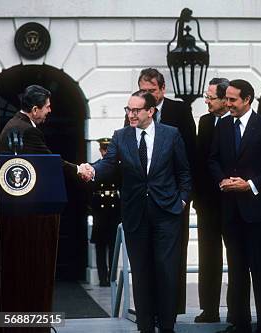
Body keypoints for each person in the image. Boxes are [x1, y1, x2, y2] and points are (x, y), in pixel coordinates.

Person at [80, 90, 191, 333]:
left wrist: (182, 201)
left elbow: (183, 171)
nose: (130, 114)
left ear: (150, 112)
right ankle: (145, 327)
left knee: (166, 271)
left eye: (136, 110)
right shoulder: (121, 137)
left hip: (167, 213)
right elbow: (108, 164)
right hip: (135, 214)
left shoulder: (170, 134)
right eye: (128, 110)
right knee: (141, 272)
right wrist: (92, 170)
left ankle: (167, 326)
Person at [208, 79, 261, 333]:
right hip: (231, 211)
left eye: (232, 100)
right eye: (226, 99)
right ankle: (239, 322)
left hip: (258, 211)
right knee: (236, 269)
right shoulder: (223, 127)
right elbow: (212, 159)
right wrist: (222, 180)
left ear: (248, 99)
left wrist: (250, 184)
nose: (227, 104)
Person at [128, 68, 197, 314]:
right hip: (143, 203)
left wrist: (183, 199)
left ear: (162, 90)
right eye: (143, 90)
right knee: (145, 261)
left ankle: (170, 311)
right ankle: (148, 312)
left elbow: (189, 156)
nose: (147, 95)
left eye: (152, 91)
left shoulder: (179, 111)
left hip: (171, 200)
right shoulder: (133, 113)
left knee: (171, 260)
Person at [194, 77, 230, 323]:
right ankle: (209, 309)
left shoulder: (240, 123)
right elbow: (199, 161)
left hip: (234, 201)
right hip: (208, 203)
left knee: (238, 257)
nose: (206, 101)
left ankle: (238, 311)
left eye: (211, 97)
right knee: (208, 256)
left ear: (226, 99)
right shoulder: (205, 122)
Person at [0, 85, 80, 178]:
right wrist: (79, 170)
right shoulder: (28, 131)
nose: (50, 110)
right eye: (47, 107)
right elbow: (49, 161)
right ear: (35, 110)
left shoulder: (17, 123)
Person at [89, 137, 121, 287]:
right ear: (101, 151)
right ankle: (103, 278)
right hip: (99, 212)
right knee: (100, 246)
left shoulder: (119, 168)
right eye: (104, 149)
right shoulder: (95, 167)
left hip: (114, 210)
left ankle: (112, 277)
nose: (106, 152)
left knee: (113, 244)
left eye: (108, 149)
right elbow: (88, 191)